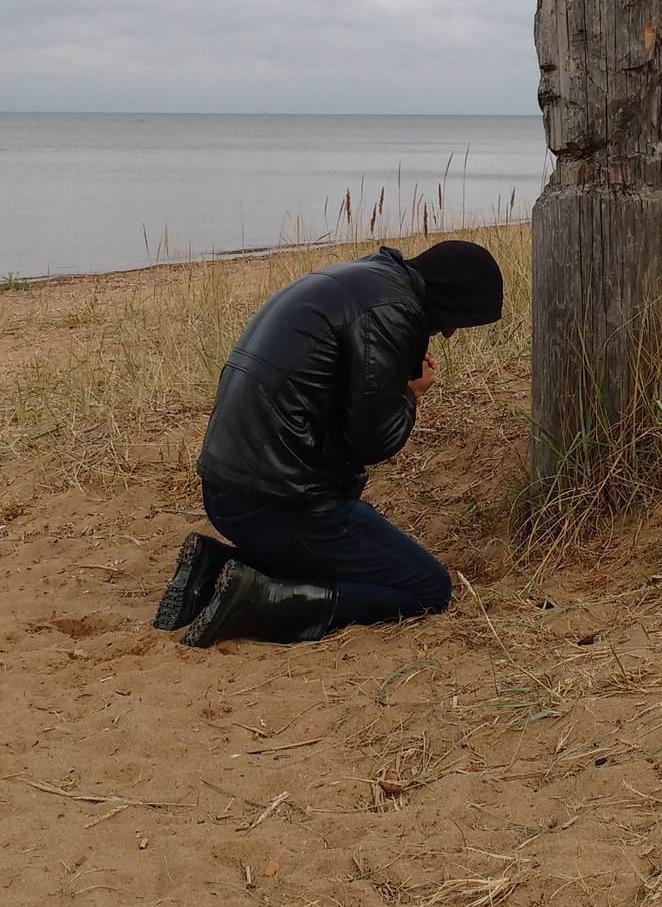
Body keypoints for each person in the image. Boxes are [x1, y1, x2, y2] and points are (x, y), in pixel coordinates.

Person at [153, 238, 504, 648]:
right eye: (457, 320)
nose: (448, 333)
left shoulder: (369, 279)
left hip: (227, 489)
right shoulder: (396, 312)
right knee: (428, 588)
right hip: (276, 501)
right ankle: (259, 600)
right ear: (448, 300)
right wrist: (410, 395)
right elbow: (373, 440)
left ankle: (212, 571)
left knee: (363, 565)